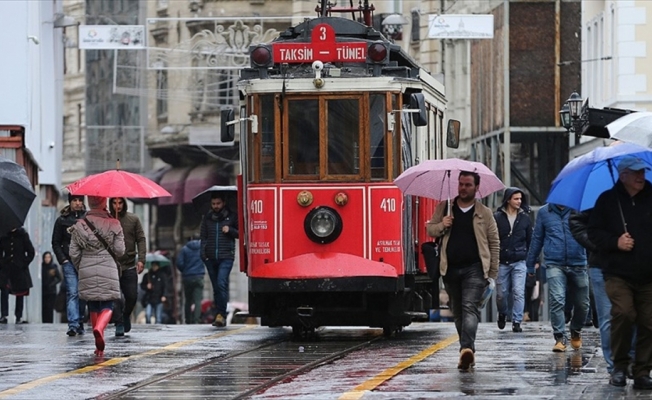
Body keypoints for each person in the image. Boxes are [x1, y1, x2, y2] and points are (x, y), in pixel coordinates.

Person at [588, 156, 652, 389]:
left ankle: (643, 370)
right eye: (635, 172)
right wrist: (616, 242)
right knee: (624, 314)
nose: (640, 176)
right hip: (618, 273)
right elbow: (593, 233)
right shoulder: (607, 201)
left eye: (643, 171)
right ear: (622, 175)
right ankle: (619, 366)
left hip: (648, 275)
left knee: (649, 321)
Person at [426, 171, 500, 370]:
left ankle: (466, 348)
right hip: (449, 268)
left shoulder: (484, 213)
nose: (463, 188)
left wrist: (492, 274)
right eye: (461, 184)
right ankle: (466, 351)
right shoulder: (445, 207)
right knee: (458, 312)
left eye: (468, 185)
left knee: (469, 308)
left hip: (474, 268)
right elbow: (430, 229)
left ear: (476, 188)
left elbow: (494, 243)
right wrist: (443, 224)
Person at [526, 203, 588, 353]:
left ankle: (576, 329)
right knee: (557, 299)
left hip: (578, 263)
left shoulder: (579, 210)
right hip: (555, 263)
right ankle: (560, 337)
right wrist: (530, 263)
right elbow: (537, 238)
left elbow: (590, 234)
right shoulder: (544, 212)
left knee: (583, 304)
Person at [69, 195, 125, 357]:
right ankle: (99, 328)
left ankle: (98, 347)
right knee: (108, 303)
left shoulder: (80, 225)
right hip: (108, 266)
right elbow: (120, 251)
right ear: (104, 203)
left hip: (86, 266)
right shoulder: (114, 223)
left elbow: (73, 252)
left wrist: (81, 266)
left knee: (92, 303)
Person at [493, 187, 532, 333]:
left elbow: (530, 240)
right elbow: (493, 239)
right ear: (508, 199)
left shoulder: (525, 218)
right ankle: (502, 313)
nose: (519, 201)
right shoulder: (497, 217)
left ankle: (517, 321)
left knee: (518, 292)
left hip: (519, 260)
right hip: (502, 261)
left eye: (520, 199)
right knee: (501, 294)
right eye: (516, 199)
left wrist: (531, 258)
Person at [109, 197, 146, 336]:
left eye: (120, 203)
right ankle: (118, 322)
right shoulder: (107, 220)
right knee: (116, 296)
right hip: (111, 264)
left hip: (129, 264)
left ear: (124, 203)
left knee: (132, 296)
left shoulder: (133, 219)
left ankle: (126, 315)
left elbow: (141, 239)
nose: (117, 206)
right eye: (114, 203)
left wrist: (141, 259)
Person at [200, 193, 239, 328]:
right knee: (216, 287)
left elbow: (241, 233)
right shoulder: (207, 218)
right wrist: (203, 255)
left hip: (226, 257)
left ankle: (221, 314)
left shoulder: (232, 216)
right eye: (213, 204)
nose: (216, 206)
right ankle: (219, 313)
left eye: (218, 203)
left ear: (223, 203)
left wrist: (230, 230)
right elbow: (203, 237)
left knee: (222, 283)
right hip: (210, 258)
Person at [52, 193, 87, 336]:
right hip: (69, 262)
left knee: (83, 294)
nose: (77, 203)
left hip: (85, 262)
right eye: (75, 200)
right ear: (70, 202)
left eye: (80, 200)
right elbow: (55, 242)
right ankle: (72, 324)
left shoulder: (88, 219)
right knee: (72, 292)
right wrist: (63, 259)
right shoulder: (62, 220)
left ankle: (80, 322)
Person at [0, 227, 35, 324]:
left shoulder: (23, 235)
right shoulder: (4, 235)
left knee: (20, 293)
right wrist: (2, 263)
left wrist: (24, 263)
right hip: (7, 269)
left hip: (19, 269)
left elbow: (31, 252)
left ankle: (18, 316)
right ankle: (4, 315)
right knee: (4, 291)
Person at [176, 235, 205, 324]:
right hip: (199, 276)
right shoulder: (202, 248)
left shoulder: (184, 249)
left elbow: (179, 263)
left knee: (188, 300)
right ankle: (196, 320)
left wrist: (184, 270)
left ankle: (188, 319)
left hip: (187, 277)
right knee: (197, 300)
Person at [41, 251, 62, 323]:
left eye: (48, 257)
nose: (47, 259)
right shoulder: (42, 267)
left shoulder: (53, 267)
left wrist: (52, 284)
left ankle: (50, 321)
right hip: (43, 291)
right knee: (44, 307)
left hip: (51, 291)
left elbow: (59, 278)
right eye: (46, 257)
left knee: (50, 308)